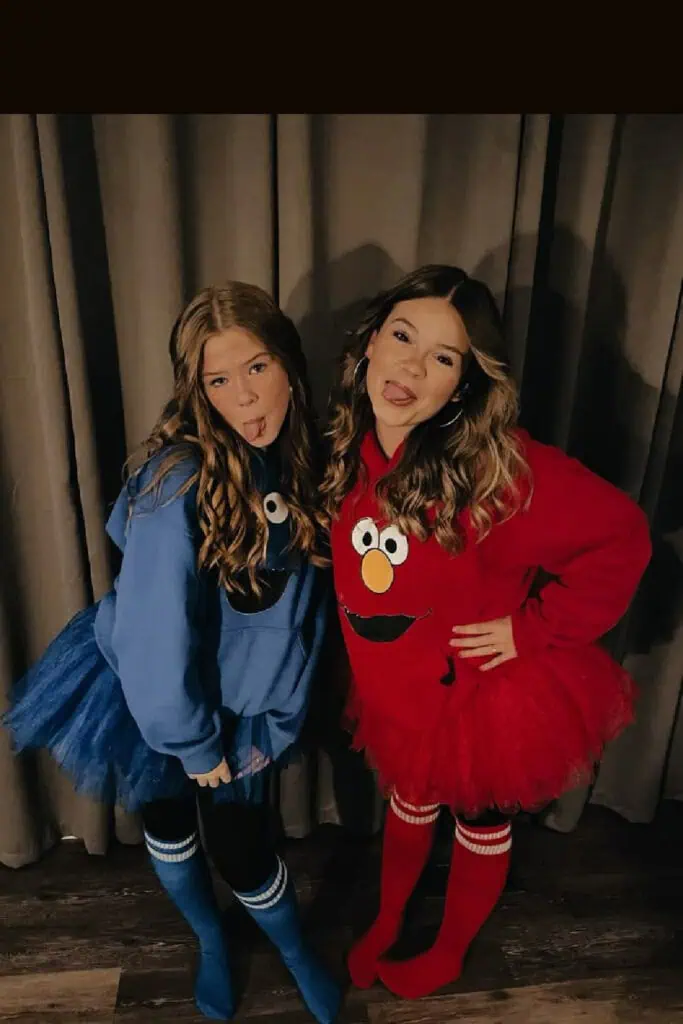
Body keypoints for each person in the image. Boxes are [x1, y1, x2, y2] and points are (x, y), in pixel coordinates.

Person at [3, 282, 341, 1023]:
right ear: (196, 389)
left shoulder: (309, 461)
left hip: (249, 702)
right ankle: (211, 944)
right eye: (218, 380)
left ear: (288, 362)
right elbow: (156, 630)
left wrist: (280, 717)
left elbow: (304, 614)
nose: (244, 399)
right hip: (160, 701)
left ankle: (290, 951)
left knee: (245, 850)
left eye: (256, 368)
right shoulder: (176, 478)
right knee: (169, 823)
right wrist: (191, 744)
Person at [320, 264, 651, 1000]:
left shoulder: (500, 474)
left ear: (463, 384)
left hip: (481, 700)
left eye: (442, 357)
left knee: (476, 819)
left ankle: (448, 949)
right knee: (407, 799)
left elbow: (622, 537)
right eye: (402, 336)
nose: (410, 365)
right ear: (370, 343)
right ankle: (388, 918)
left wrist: (532, 629)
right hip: (397, 684)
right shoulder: (351, 447)